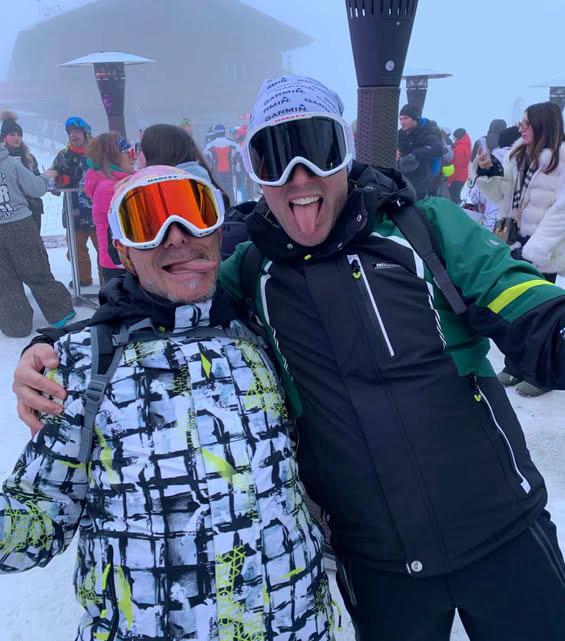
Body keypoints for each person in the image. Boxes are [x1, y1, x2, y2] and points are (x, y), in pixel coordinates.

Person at [13, 75, 565, 641]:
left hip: (504, 535)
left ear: (345, 154)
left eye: (317, 149)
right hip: (381, 566)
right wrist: (56, 345)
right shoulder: (252, 272)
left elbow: (529, 307)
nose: (298, 176)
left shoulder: (426, 232)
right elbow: (161, 299)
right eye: (274, 158)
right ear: (255, 173)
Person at [1, 164, 334, 641]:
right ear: (124, 252)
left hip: (294, 625)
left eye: (193, 216)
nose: (176, 236)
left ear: (217, 234)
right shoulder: (84, 362)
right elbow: (40, 510)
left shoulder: (264, 335)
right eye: (147, 223)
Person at [474, 101, 565, 397]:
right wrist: (487, 171)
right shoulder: (519, 155)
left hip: (544, 250)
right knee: (513, 308)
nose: (520, 128)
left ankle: (541, 374)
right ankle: (515, 365)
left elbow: (562, 210)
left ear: (542, 125)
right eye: (520, 123)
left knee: (541, 316)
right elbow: (502, 195)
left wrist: (538, 247)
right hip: (515, 242)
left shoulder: (562, 159)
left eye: (526, 123)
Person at [0, 138, 74, 337]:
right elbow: (36, 189)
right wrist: (45, 177)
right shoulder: (10, 163)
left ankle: (16, 325)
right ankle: (60, 312)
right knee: (36, 270)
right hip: (19, 225)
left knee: (5, 280)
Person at [51, 116, 99, 287]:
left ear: (86, 133)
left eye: (77, 131)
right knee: (76, 250)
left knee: (104, 249)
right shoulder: (63, 155)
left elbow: (112, 173)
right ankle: (83, 280)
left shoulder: (98, 153)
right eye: (71, 132)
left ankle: (109, 280)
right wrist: (58, 181)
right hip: (74, 211)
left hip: (97, 211)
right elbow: (53, 178)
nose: (74, 135)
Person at [84, 132, 135, 285]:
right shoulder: (109, 188)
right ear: (113, 157)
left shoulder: (117, 182)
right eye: (128, 152)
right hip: (119, 262)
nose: (133, 157)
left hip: (124, 258)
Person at [461, 126, 519, 229]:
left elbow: (475, 197)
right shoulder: (527, 164)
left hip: (492, 225)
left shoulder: (490, 162)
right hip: (517, 227)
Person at [0, 111, 44, 229]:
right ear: (4, 137)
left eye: (19, 135)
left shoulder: (29, 158)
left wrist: (44, 179)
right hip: (9, 213)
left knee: (34, 241)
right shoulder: (2, 160)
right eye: (12, 134)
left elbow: (37, 181)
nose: (17, 138)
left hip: (33, 209)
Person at [397, 103, 444, 198]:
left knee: (414, 203)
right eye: (400, 119)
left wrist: (415, 153)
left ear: (415, 119)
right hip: (403, 176)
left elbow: (437, 148)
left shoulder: (426, 132)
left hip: (420, 180)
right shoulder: (402, 132)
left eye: (405, 118)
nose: (402, 122)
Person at [204, 124, 240, 201]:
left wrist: (210, 161)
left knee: (220, 189)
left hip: (217, 170)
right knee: (230, 189)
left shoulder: (212, 144)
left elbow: (205, 152)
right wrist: (235, 159)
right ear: (224, 132)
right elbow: (238, 149)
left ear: (215, 133)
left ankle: (223, 204)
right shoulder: (230, 142)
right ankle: (232, 204)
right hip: (229, 169)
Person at [448, 128, 472, 202]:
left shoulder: (460, 149)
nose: (454, 139)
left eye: (454, 137)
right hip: (462, 176)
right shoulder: (466, 146)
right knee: (456, 196)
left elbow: (456, 166)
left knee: (453, 198)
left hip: (457, 177)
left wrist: (450, 180)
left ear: (458, 137)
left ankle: (456, 208)